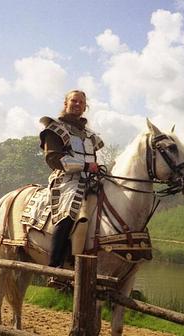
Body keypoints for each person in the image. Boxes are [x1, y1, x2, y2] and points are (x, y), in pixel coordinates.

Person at [39, 90, 104, 268]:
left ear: (85, 107)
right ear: (65, 103)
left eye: (81, 102)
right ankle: (56, 267)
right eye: (74, 101)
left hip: (91, 179)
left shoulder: (90, 135)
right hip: (66, 180)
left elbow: (93, 160)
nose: (77, 104)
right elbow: (53, 159)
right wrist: (84, 167)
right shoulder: (55, 128)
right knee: (68, 212)